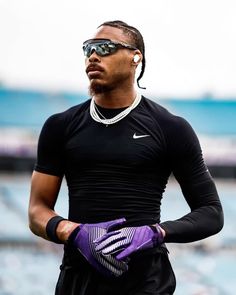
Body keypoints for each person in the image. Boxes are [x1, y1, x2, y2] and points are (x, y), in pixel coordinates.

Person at [28, 20, 224, 295]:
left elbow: (211, 213)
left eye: (105, 47)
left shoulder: (171, 128)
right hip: (78, 280)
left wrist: (155, 233)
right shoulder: (60, 126)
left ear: (136, 57)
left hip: (146, 282)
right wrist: (73, 232)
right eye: (88, 49)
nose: (93, 56)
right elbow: (37, 211)